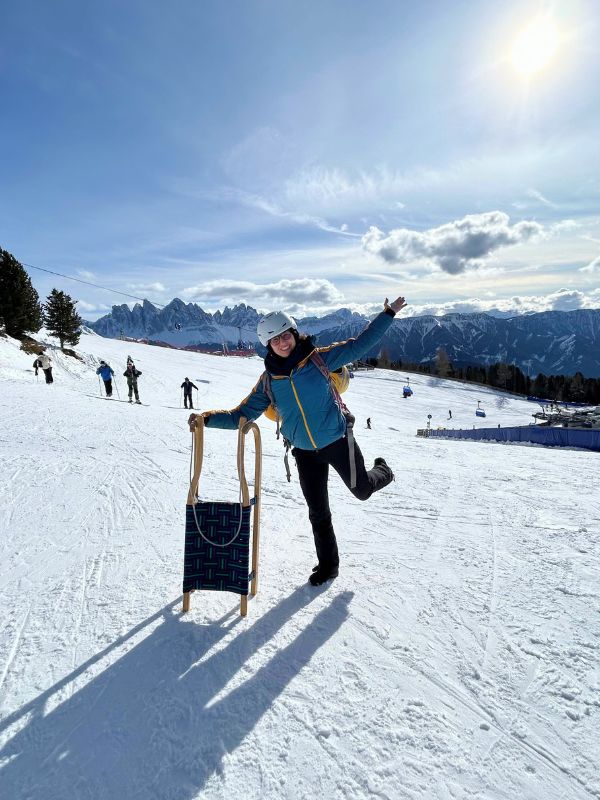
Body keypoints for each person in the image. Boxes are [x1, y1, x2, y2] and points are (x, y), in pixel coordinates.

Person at [188, 295, 407, 586]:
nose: (282, 342)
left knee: (363, 490)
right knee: (318, 512)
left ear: (294, 333)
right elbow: (241, 415)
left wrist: (388, 314)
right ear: (268, 345)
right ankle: (329, 566)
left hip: (337, 440)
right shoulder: (268, 381)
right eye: (275, 339)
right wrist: (206, 419)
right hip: (304, 452)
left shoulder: (318, 359)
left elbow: (359, 345)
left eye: (285, 335)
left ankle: (384, 470)